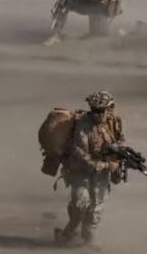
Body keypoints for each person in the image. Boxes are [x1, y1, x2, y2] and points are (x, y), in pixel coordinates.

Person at [54, 90, 125, 246]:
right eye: (94, 110)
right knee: (80, 203)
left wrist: (118, 153)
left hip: (102, 173)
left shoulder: (115, 122)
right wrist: (106, 164)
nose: (97, 114)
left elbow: (121, 140)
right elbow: (81, 153)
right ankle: (68, 233)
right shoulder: (83, 124)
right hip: (80, 170)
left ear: (110, 109)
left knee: (95, 209)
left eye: (101, 110)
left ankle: (88, 241)